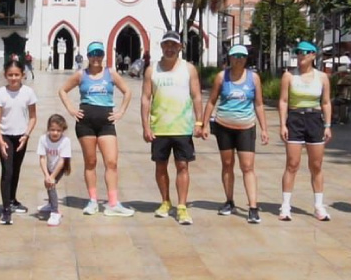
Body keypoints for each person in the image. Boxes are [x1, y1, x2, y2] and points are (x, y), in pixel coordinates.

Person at [56, 41, 135, 217]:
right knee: (90, 162)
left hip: (106, 122)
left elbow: (127, 91)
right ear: (88, 56)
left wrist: (121, 111)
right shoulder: (81, 75)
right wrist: (71, 109)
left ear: (103, 55)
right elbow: (62, 90)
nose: (96, 57)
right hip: (86, 124)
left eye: (99, 53)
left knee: (111, 162)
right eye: (92, 54)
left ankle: (113, 203)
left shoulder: (111, 74)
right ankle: (92, 201)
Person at [141, 30, 204, 225]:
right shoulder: (152, 70)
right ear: (161, 47)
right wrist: (146, 126)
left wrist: (199, 122)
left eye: (173, 45)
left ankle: (182, 206)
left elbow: (196, 96)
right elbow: (145, 98)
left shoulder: (189, 69)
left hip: (182, 127)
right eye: (166, 45)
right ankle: (165, 201)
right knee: (160, 166)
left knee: (182, 166)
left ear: (180, 47)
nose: (170, 49)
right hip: (160, 128)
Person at [202, 44, 270, 224]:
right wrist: (204, 124)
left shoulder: (253, 78)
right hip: (224, 125)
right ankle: (229, 200)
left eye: (242, 56)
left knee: (247, 166)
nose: (238, 59)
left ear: (246, 59)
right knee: (227, 163)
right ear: (229, 58)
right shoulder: (221, 77)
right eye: (235, 56)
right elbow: (211, 101)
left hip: (246, 126)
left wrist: (264, 128)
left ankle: (253, 207)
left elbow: (259, 104)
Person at [278, 40, 333, 222]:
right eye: (299, 52)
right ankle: (285, 205)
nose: (301, 55)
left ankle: (319, 205)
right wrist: (283, 124)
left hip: (314, 119)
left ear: (313, 55)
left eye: (305, 52)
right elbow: (284, 101)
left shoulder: (322, 77)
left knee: (316, 165)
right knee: (292, 163)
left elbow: (325, 102)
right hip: (295, 118)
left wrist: (327, 125)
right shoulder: (289, 76)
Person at [0, 59, 38, 225]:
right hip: (5, 136)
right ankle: (5, 209)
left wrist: (26, 135)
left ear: (23, 75)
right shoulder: (0, 93)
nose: (13, 78)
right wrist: (0, 140)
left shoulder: (28, 92)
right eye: (10, 75)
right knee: (7, 170)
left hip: (21, 136)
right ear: (5, 75)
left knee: (16, 169)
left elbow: (33, 117)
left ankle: (12, 199)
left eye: (16, 75)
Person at [37, 114, 72, 226]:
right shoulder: (43, 139)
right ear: (48, 129)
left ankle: (55, 211)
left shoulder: (65, 141)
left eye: (58, 130)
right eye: (52, 130)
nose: (55, 133)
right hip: (49, 165)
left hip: (60, 167)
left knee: (51, 184)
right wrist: (47, 174)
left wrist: (52, 177)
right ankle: (50, 203)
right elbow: (42, 158)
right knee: (47, 182)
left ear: (63, 130)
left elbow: (62, 161)